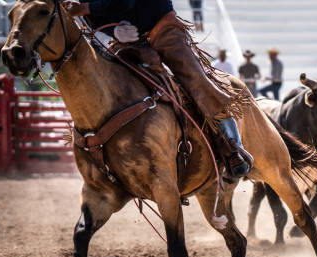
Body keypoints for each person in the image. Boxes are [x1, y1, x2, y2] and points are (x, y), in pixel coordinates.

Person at [62, 0, 251, 177]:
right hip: (125, 41)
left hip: (162, 28)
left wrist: (85, 8)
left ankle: (233, 146)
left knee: (196, 79)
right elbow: (93, 21)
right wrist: (113, 31)